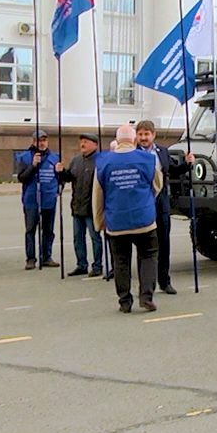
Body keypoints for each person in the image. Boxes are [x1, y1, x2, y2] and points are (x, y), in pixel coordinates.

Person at [94, 125, 161, 313]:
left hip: (116, 222)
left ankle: (125, 301)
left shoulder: (103, 162)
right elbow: (157, 184)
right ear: (134, 140)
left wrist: (99, 222)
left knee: (121, 261)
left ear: (117, 140)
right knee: (148, 256)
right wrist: (147, 200)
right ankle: (146, 296)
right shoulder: (148, 159)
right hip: (144, 220)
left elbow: (97, 196)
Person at [134, 120, 192, 295]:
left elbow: (173, 170)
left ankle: (164, 281)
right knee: (144, 244)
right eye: (140, 134)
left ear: (153, 135)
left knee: (163, 243)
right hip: (143, 203)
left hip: (161, 203)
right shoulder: (132, 153)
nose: (143, 138)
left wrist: (187, 164)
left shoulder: (162, 152)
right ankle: (145, 284)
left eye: (147, 134)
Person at [58, 133, 104, 277]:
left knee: (95, 237)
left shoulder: (100, 160)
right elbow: (69, 178)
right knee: (78, 238)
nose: (82, 145)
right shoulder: (76, 160)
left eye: (86, 142)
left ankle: (97, 265)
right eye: (81, 142)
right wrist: (61, 172)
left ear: (95, 145)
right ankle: (81, 264)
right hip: (77, 206)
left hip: (92, 208)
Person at [14, 130, 62, 270]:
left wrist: (59, 184)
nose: (42, 143)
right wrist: (34, 165)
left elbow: (61, 178)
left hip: (49, 198)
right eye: (39, 140)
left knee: (48, 230)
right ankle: (30, 258)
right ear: (33, 142)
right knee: (30, 230)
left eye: (44, 140)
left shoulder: (55, 157)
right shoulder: (25, 157)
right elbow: (22, 178)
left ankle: (46, 256)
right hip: (32, 199)